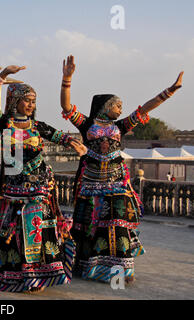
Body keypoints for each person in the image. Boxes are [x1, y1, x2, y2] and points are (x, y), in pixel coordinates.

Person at [60, 55, 183, 284]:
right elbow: (66, 107)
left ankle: (120, 271)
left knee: (119, 224)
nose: (121, 109)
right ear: (107, 107)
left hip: (117, 182)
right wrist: (66, 79)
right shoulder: (87, 124)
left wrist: (169, 92)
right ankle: (91, 268)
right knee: (90, 227)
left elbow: (145, 107)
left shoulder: (121, 126)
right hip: (91, 183)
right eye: (118, 105)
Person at [0, 65, 87, 293]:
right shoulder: (4, 123)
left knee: (40, 227)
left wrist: (73, 143)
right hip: (15, 189)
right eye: (26, 100)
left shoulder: (37, 126)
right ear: (14, 100)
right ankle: (15, 274)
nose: (30, 105)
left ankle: (38, 273)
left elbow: (59, 135)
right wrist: (3, 74)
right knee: (13, 229)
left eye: (33, 101)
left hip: (39, 185)